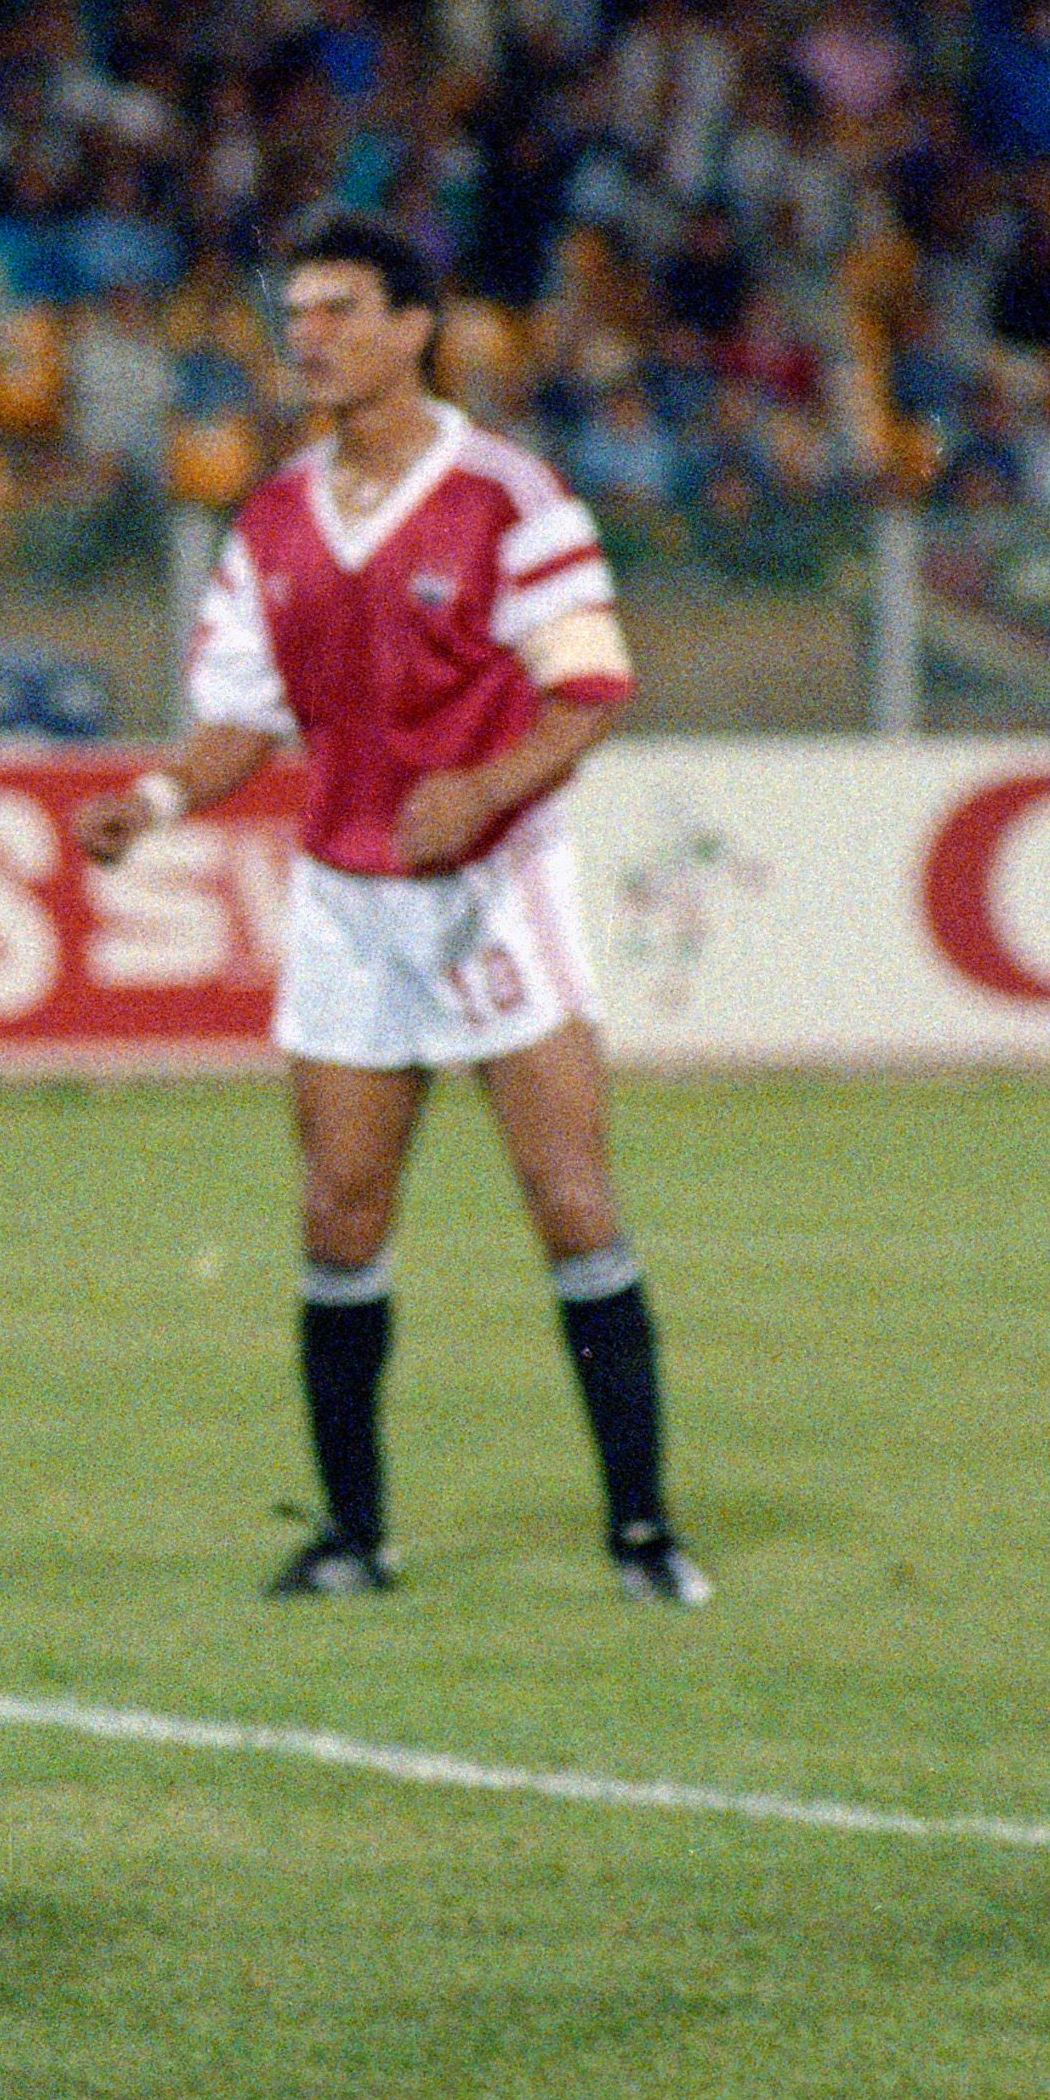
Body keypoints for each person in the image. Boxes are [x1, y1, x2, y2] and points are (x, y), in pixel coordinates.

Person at [69, 217, 703, 1608]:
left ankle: (641, 1530)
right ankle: (352, 1535)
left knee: (569, 1199)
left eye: (339, 308)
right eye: (294, 311)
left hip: (492, 887)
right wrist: (159, 801)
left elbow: (587, 682)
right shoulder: (277, 515)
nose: (307, 334)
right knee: (338, 1214)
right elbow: (238, 719)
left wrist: (483, 790)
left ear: (415, 325)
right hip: (350, 897)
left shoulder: (505, 495)